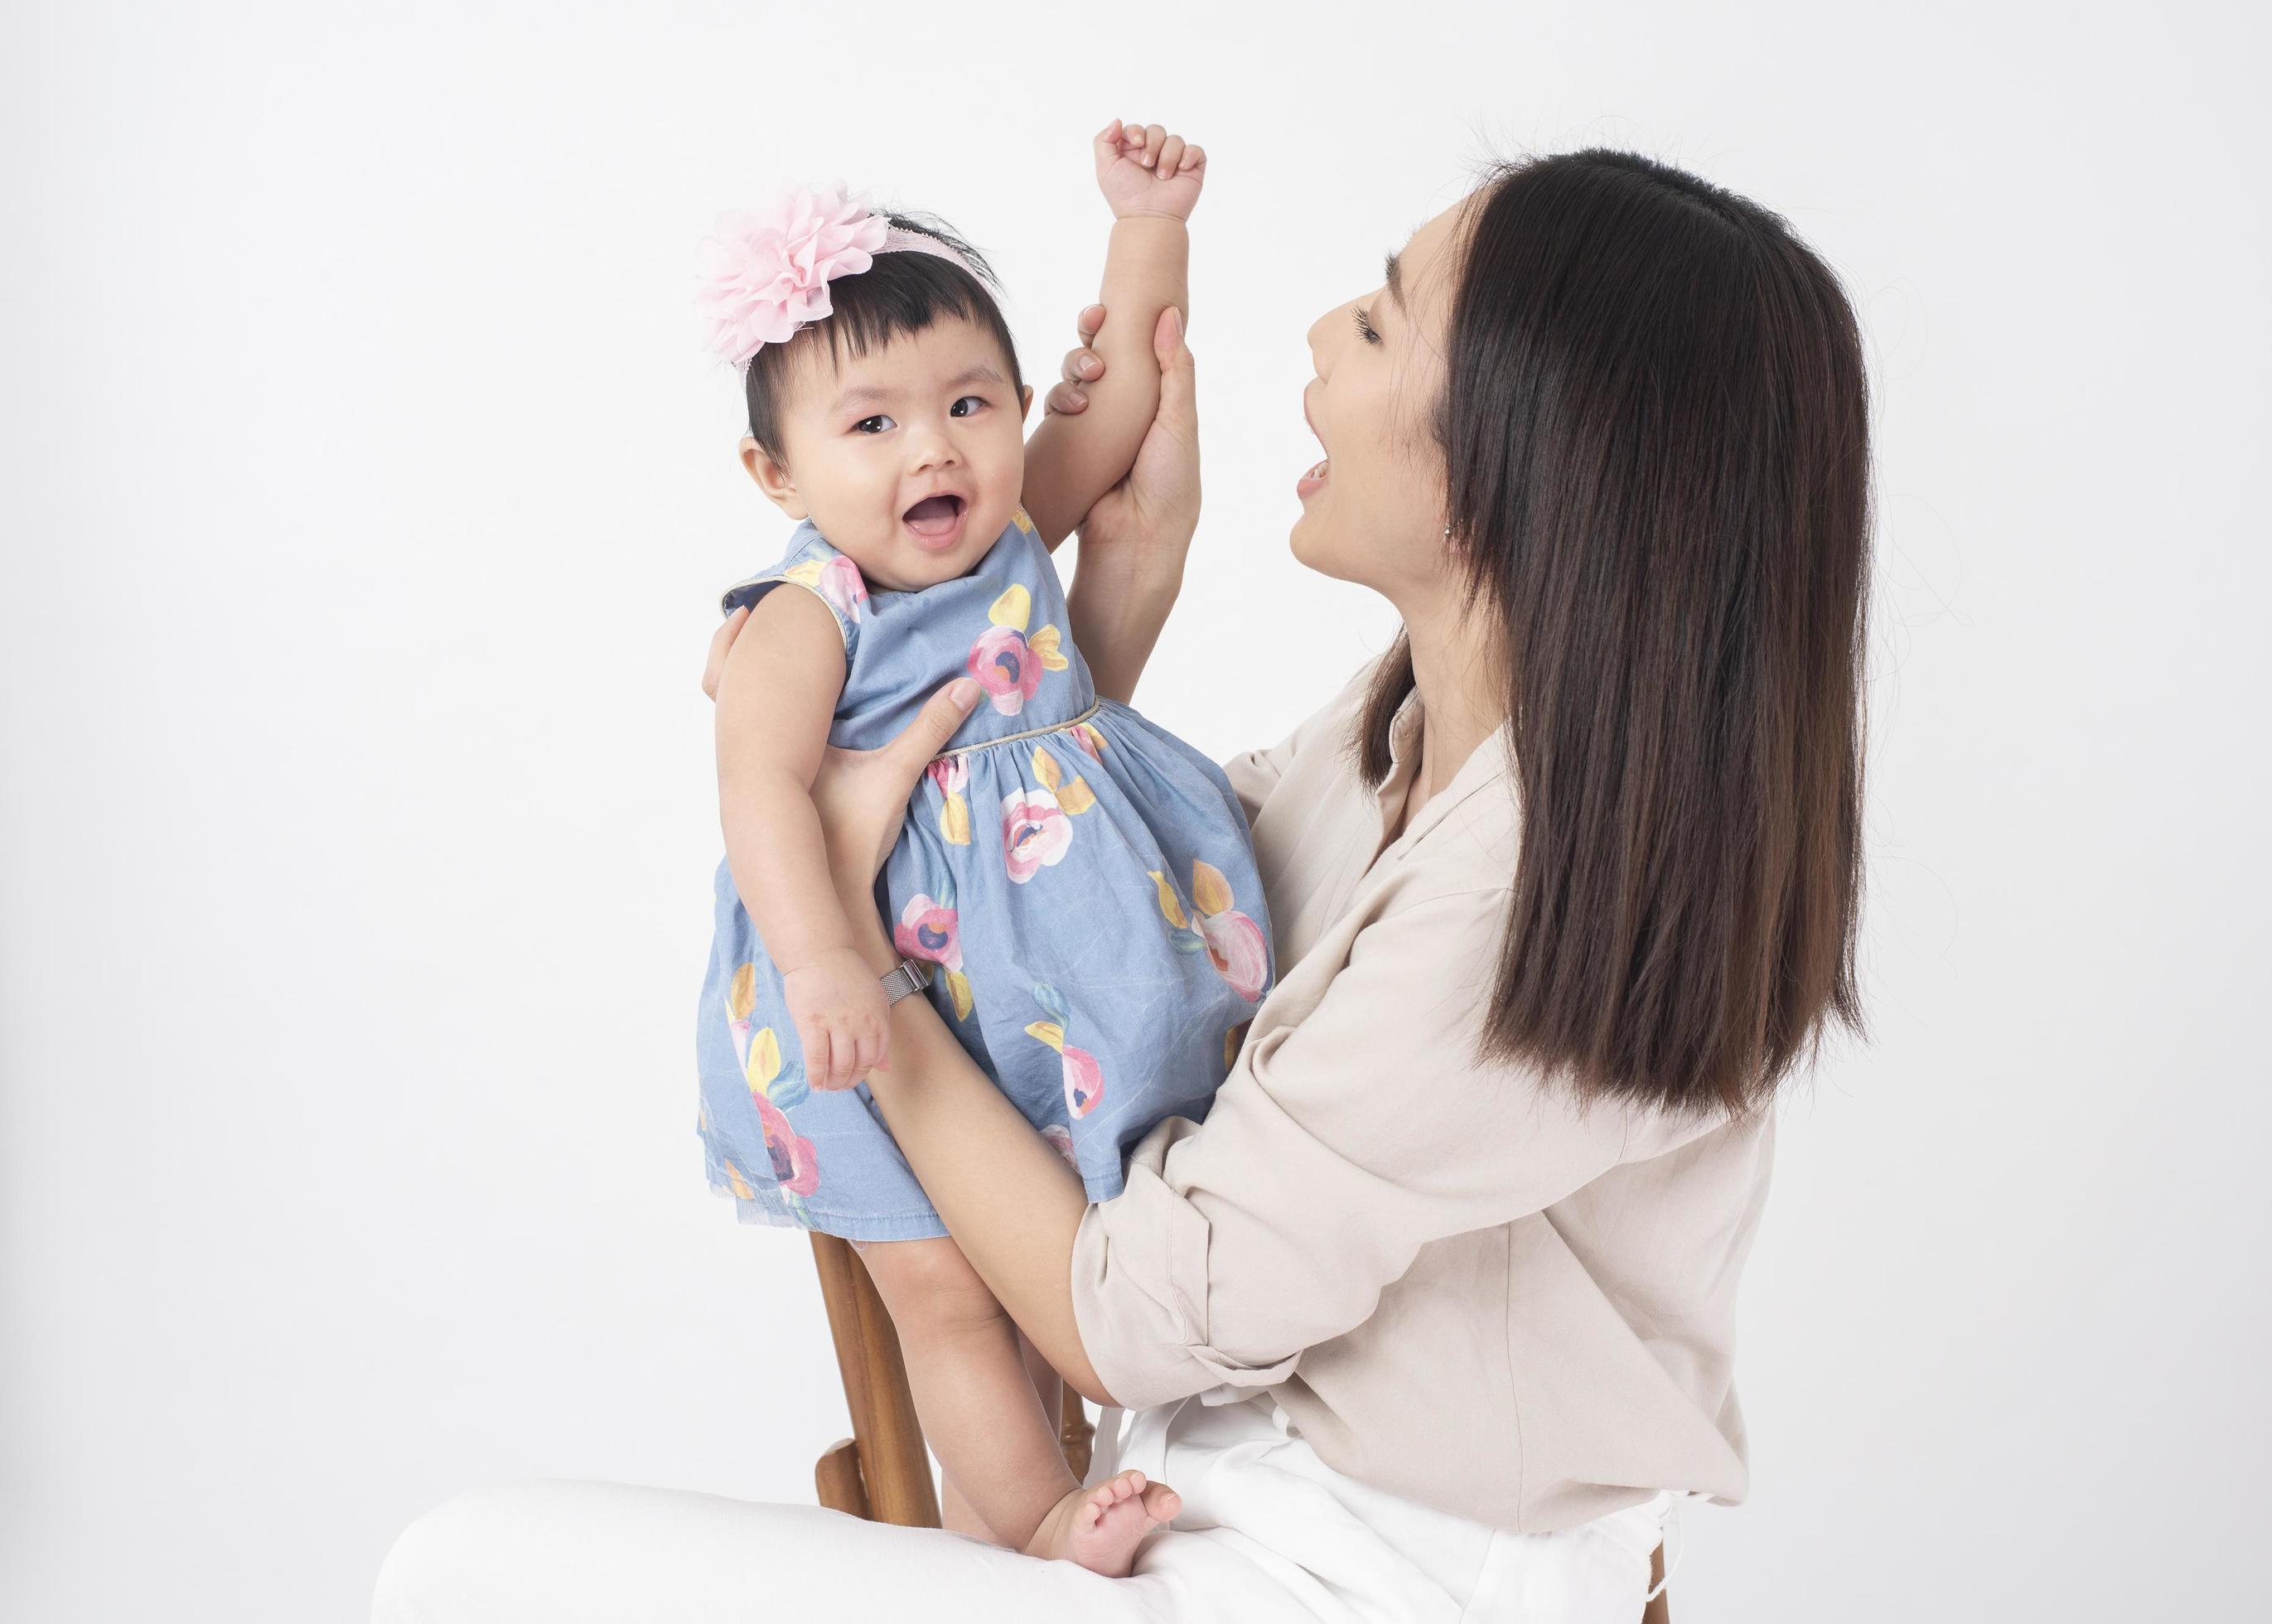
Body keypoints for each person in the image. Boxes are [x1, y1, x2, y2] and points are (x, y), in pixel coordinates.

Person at [372, 144, 1873, 1622]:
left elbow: (1135, 1314)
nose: (1316, 335)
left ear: (1511, 464)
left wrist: (848, 931)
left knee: (457, 1567)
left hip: (1370, 1568)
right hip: (1205, 1492)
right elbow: (1135, 898)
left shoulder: (1527, 896)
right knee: (470, 1561)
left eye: (1377, 318)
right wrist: (1093, 615)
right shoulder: (1413, 734)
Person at [693, 120, 1255, 1574]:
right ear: (777, 471)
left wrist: (1147, 227)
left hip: (1027, 985)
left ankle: (1006, 1521)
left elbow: (1121, 404)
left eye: (968, 403)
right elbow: (760, 796)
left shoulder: (1010, 538)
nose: (932, 446)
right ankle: (1033, 1518)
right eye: (869, 424)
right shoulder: (804, 614)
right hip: (857, 1002)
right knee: (944, 1290)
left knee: (1057, 1260)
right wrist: (824, 968)